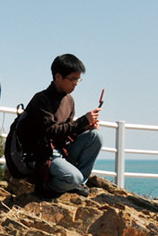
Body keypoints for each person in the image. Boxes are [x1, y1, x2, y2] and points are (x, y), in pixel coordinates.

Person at [17, 54, 103, 199]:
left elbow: (67, 132)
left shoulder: (69, 100)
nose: (76, 84)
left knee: (95, 136)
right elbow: (51, 132)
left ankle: (77, 184)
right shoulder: (41, 99)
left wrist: (86, 128)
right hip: (42, 154)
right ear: (58, 77)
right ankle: (46, 187)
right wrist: (82, 121)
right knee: (74, 177)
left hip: (61, 150)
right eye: (73, 79)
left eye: (78, 79)